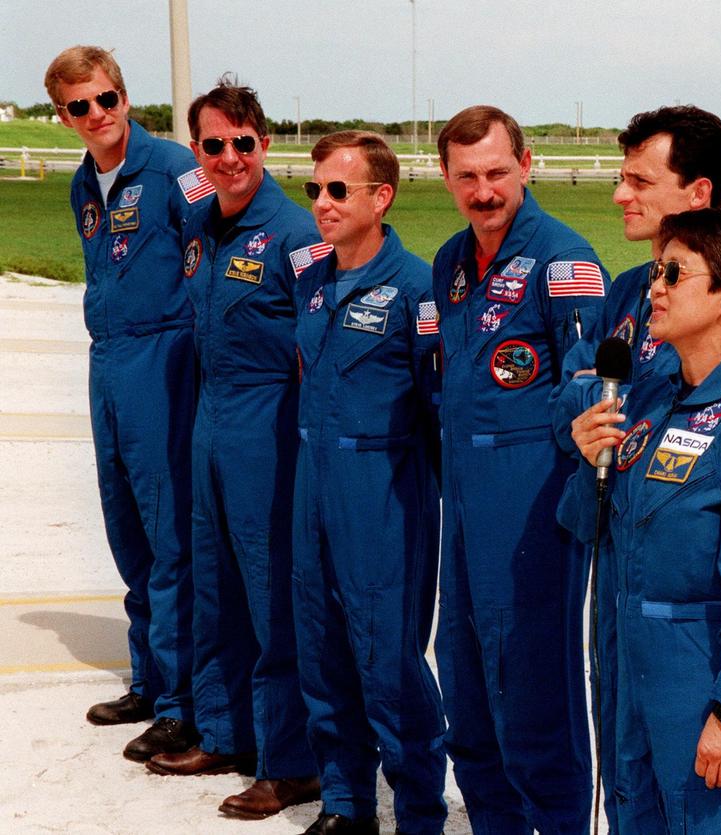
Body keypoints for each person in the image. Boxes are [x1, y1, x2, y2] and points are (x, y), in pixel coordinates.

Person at [550, 104, 721, 830]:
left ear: (698, 193)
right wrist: (586, 417)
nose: (621, 195)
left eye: (639, 180)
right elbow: (573, 390)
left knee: (695, 792)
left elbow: (691, 420)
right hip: (618, 567)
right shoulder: (626, 292)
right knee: (627, 777)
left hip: (681, 589)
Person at [145, 77, 322, 821]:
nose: (229, 157)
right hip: (211, 423)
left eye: (242, 143)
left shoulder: (296, 232)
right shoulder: (201, 226)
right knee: (213, 584)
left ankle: (290, 761)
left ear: (264, 143)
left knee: (272, 594)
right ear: (197, 150)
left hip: (269, 430)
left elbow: (319, 344)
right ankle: (224, 730)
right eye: (213, 145)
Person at [431, 105, 608, 833]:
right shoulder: (449, 262)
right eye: (467, 176)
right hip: (464, 496)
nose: (484, 191)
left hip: (534, 494)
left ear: (526, 165)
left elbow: (590, 385)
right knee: (465, 672)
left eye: (497, 172)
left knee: (533, 682)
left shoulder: (564, 262)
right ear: (445, 177)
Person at [44, 45, 205, 762]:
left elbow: (221, 237)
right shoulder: (83, 183)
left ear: (124, 97)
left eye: (106, 99)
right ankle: (149, 676)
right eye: (81, 106)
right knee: (126, 523)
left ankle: (183, 700)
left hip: (164, 354)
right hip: (107, 358)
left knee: (170, 528)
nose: (98, 115)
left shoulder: (174, 167)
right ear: (64, 115)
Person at [290, 131, 448, 835]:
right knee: (321, 646)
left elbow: (437, 403)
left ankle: (417, 812)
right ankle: (346, 800)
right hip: (315, 478)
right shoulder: (311, 279)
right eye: (314, 189)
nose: (321, 203)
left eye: (337, 190)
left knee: (387, 659)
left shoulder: (417, 288)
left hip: (382, 490)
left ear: (380, 197)